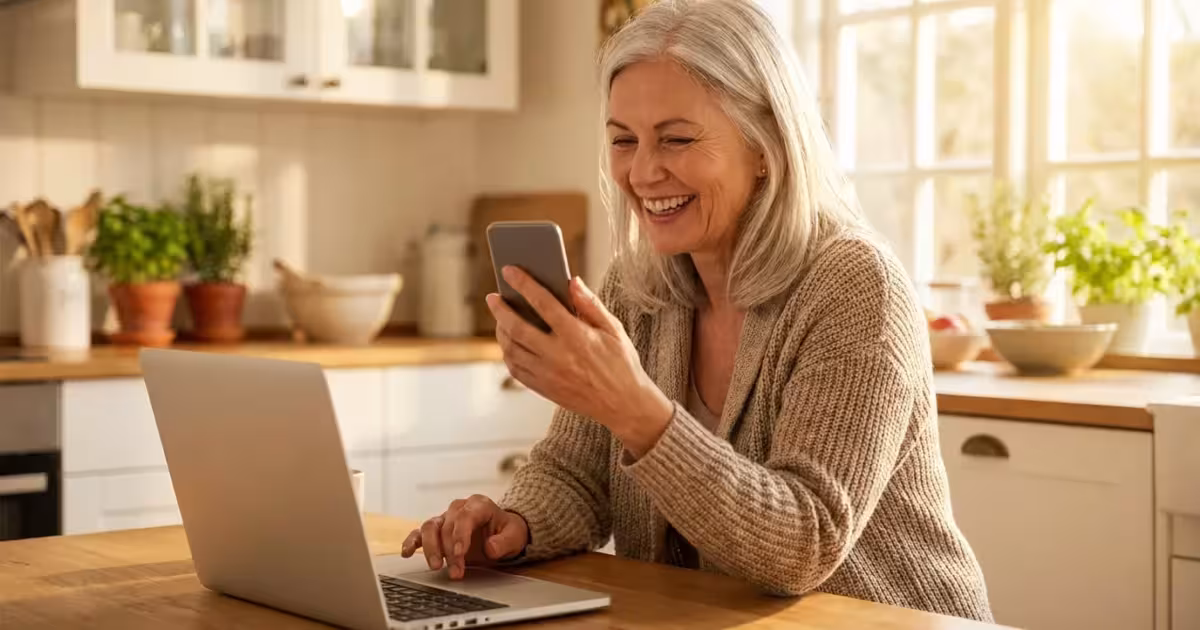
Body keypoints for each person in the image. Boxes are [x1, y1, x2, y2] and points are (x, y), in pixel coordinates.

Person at [400, 0, 993, 621]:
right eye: (623, 140)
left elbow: (804, 544)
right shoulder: (635, 287)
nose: (644, 171)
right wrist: (513, 524)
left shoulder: (855, 286)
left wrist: (634, 408)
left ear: (765, 145)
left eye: (677, 139)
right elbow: (576, 474)